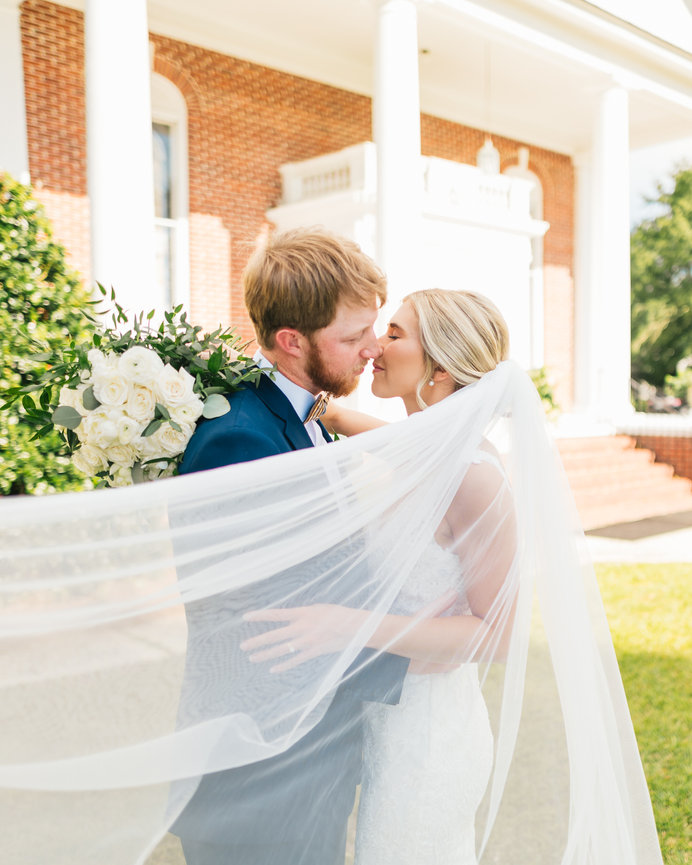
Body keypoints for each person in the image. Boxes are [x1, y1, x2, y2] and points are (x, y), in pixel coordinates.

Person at [170, 228, 410, 865]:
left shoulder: (303, 416)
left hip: (306, 763)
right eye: (354, 336)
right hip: (261, 781)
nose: (372, 348)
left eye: (375, 328)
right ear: (292, 341)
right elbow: (260, 619)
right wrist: (421, 640)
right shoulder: (242, 438)